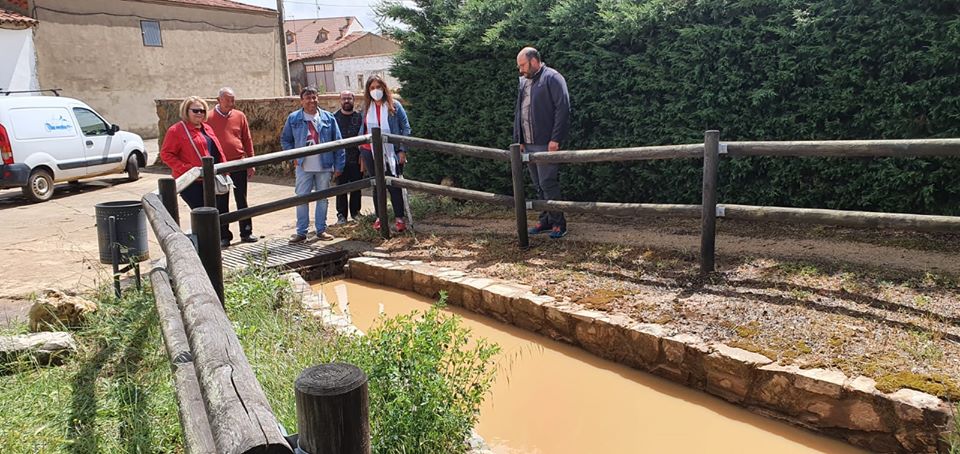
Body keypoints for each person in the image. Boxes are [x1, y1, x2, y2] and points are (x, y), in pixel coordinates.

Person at [160, 96, 233, 248]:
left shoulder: (207, 128)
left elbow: (217, 151)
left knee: (220, 212)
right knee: (203, 215)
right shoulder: (176, 130)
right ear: (186, 111)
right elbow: (166, 154)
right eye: (195, 110)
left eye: (202, 110)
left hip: (214, 179)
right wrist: (188, 170)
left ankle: (222, 240)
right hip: (193, 182)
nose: (199, 113)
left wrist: (225, 169)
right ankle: (207, 246)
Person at [513, 46, 571, 239]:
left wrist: (555, 139)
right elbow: (519, 112)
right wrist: (519, 140)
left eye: (523, 65)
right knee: (538, 184)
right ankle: (545, 220)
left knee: (548, 183)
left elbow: (563, 108)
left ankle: (558, 223)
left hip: (546, 143)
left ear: (534, 61)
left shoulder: (553, 78)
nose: (520, 69)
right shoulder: (523, 82)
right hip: (528, 144)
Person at [281, 86, 345, 243]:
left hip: (324, 164)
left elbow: (338, 141)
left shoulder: (328, 118)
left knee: (322, 198)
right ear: (302, 101)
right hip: (303, 166)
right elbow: (285, 140)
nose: (312, 100)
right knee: (302, 198)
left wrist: (339, 165)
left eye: (314, 97)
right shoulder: (294, 118)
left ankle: (321, 230)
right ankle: (301, 232)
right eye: (308, 98)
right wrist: (293, 156)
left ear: (318, 98)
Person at [358, 75, 411, 232]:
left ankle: (399, 218)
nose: (376, 91)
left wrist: (402, 149)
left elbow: (406, 128)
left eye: (378, 87)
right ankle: (380, 217)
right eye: (372, 88)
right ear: (368, 91)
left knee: (393, 185)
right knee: (377, 185)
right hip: (370, 152)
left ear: (384, 88)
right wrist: (361, 148)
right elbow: (364, 128)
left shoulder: (394, 106)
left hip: (391, 152)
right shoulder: (366, 107)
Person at [207, 87, 258, 243]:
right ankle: (224, 236)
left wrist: (251, 161)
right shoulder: (208, 117)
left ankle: (246, 232)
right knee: (221, 200)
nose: (231, 103)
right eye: (227, 99)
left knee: (241, 199)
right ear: (219, 100)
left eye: (233, 99)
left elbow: (247, 139)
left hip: (238, 162)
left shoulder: (239, 115)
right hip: (219, 165)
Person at [333, 90, 364, 224]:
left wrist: (363, 156)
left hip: (356, 158)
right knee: (341, 188)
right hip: (340, 159)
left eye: (349, 98)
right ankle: (341, 215)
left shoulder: (360, 117)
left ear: (354, 100)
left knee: (356, 187)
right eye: (344, 98)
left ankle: (356, 213)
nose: (347, 101)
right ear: (340, 100)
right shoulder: (334, 118)